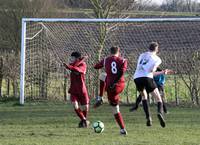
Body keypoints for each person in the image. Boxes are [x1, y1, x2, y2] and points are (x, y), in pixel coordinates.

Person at [133, 42, 171, 128]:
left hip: (137, 78)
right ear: (157, 50)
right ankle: (160, 113)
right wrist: (163, 72)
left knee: (144, 97)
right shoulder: (157, 59)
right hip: (147, 78)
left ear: (149, 48)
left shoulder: (141, 55)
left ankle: (148, 118)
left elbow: (141, 67)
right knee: (158, 98)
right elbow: (152, 71)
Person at [94, 46, 128, 135]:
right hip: (121, 85)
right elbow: (122, 72)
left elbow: (96, 66)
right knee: (102, 76)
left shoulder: (106, 60)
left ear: (110, 52)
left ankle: (122, 129)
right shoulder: (123, 60)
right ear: (118, 52)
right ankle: (100, 98)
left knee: (115, 109)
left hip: (111, 87)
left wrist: (103, 63)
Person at [63, 52, 90, 128]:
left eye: (72, 58)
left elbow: (78, 70)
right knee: (75, 105)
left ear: (77, 59)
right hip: (73, 90)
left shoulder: (83, 65)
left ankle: (83, 122)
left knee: (85, 107)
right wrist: (82, 59)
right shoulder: (72, 65)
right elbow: (73, 66)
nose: (70, 59)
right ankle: (84, 120)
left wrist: (82, 60)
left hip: (82, 90)